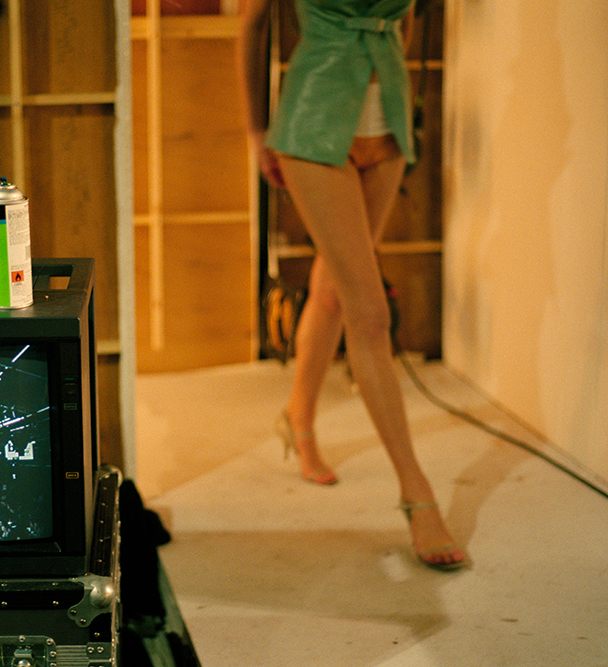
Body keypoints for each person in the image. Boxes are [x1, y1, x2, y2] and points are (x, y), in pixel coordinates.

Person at [238, 0, 466, 570]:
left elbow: (404, 20)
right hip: (314, 122)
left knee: (335, 289)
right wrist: (256, 132)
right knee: (370, 316)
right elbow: (252, 21)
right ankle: (416, 492)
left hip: (387, 122)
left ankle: (298, 415)